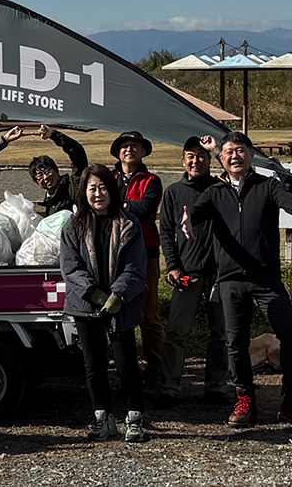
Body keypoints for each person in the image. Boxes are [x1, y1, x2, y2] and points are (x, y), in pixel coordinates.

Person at [184, 132, 292, 435]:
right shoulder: (214, 192)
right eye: (229, 152)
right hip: (230, 279)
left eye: (241, 150)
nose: (235, 156)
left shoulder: (267, 186)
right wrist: (188, 219)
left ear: (251, 154)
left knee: (290, 335)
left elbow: (288, 202)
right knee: (235, 342)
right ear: (221, 158)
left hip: (265, 277)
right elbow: (194, 213)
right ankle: (245, 399)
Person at [60, 164, 148, 444]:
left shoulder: (129, 224)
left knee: (126, 363)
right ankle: (103, 419)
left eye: (102, 187)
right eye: (92, 188)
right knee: (94, 364)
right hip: (85, 304)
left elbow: (135, 267)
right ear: (83, 192)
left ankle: (134, 419)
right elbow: (70, 267)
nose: (98, 194)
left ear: (112, 190)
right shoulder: (74, 226)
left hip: (122, 305)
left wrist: (117, 295)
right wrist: (93, 293)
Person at [157, 137, 229, 407]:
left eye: (201, 156)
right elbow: (166, 232)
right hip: (187, 272)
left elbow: (242, 175)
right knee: (177, 332)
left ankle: (216, 386)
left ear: (209, 160)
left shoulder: (220, 188)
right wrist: (173, 266)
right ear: (183, 160)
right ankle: (169, 387)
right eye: (191, 156)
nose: (196, 161)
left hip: (220, 273)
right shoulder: (174, 192)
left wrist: (218, 150)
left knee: (221, 333)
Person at [109, 130, 164, 390]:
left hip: (145, 252)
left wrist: (119, 205)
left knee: (149, 314)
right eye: (125, 146)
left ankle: (155, 369)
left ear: (143, 152)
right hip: (113, 253)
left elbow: (147, 207)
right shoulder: (109, 177)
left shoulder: (152, 180)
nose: (129, 150)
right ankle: (125, 368)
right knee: (117, 311)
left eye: (134, 146)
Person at [28, 125, 89, 216]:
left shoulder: (74, 184)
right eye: (39, 176)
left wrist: (54, 135)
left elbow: (77, 153)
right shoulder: (49, 200)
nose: (45, 177)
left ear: (56, 170)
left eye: (47, 171)